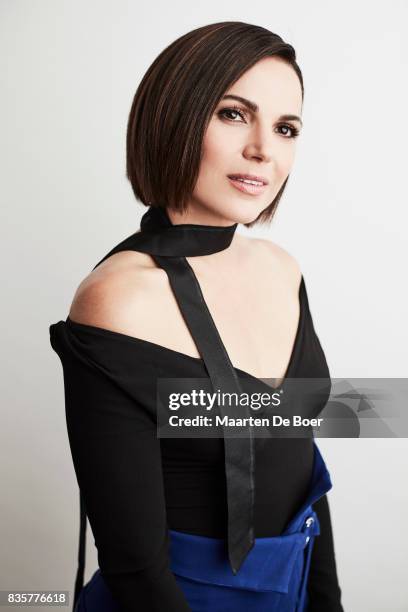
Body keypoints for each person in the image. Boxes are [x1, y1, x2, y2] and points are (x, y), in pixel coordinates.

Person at [49, 21, 344, 612]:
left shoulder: (283, 269)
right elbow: (135, 570)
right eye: (234, 115)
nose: (263, 148)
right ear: (175, 119)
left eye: (285, 128)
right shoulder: (119, 299)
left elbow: (302, 463)